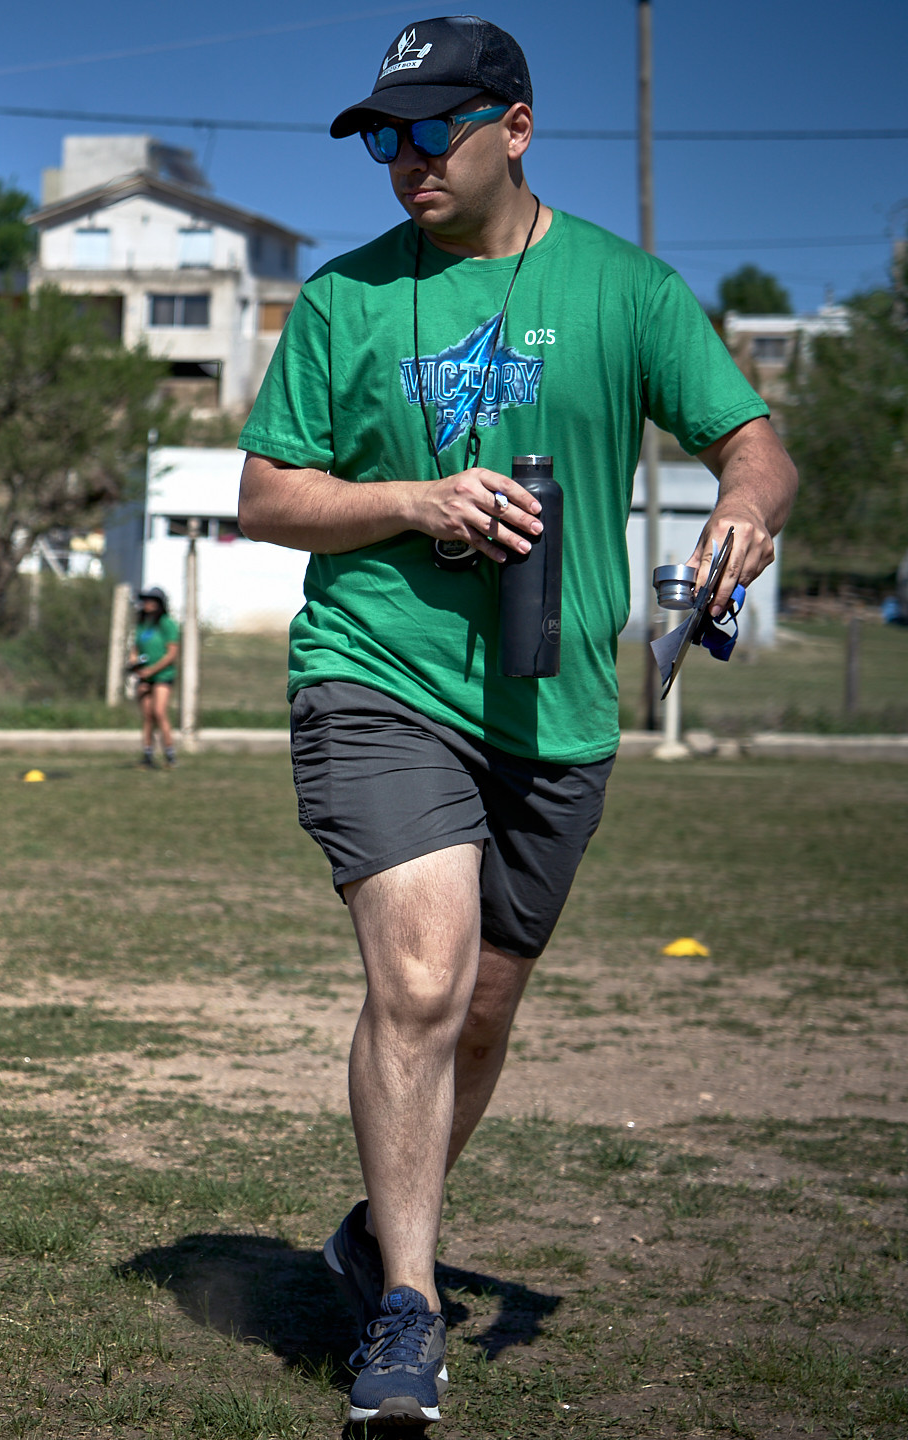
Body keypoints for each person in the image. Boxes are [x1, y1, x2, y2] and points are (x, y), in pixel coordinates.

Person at [235, 16, 795, 1426]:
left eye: (433, 130)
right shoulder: (344, 301)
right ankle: (408, 1315)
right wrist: (416, 504)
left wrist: (744, 507)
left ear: (518, 127)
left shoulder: (625, 289)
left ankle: (377, 1232)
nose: (405, 160)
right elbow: (264, 496)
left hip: (557, 705)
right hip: (379, 672)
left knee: (478, 1017)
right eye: (385, 138)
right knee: (420, 984)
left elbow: (755, 444)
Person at [130, 588, 181, 767]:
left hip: (162, 675)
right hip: (144, 675)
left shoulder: (167, 624)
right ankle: (148, 754)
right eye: (146, 600)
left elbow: (172, 653)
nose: (148, 604)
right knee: (148, 716)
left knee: (159, 712)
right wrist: (135, 665)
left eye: (152, 600)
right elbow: (136, 649)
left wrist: (152, 670)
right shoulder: (143, 625)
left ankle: (170, 753)